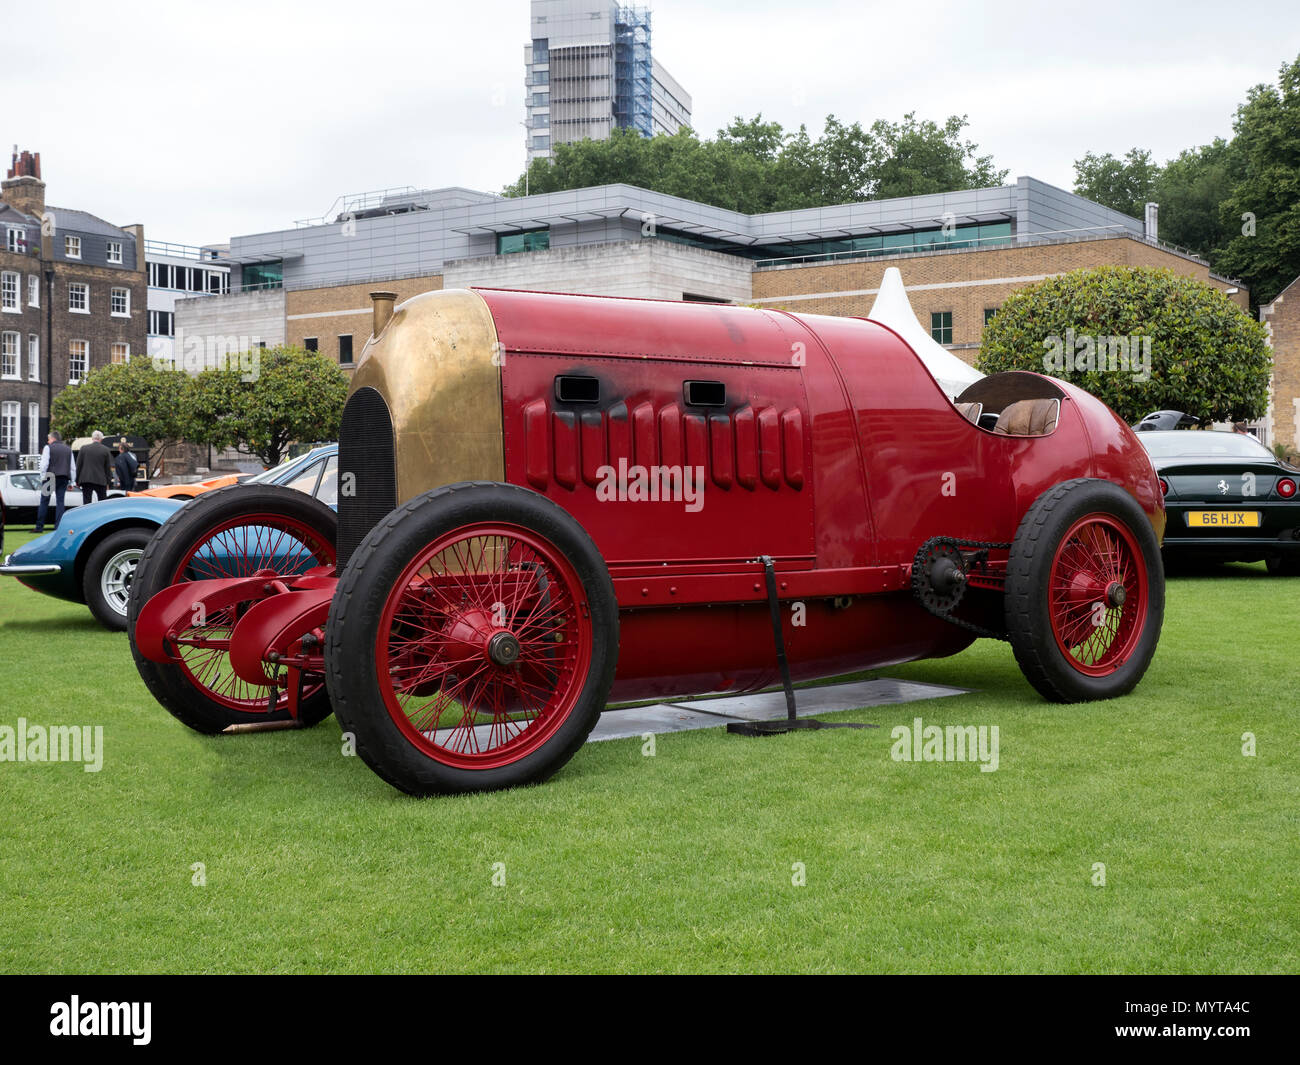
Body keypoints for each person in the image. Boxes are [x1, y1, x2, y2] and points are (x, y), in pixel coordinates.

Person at [33, 430, 76, 533]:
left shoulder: (48, 448)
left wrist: (43, 476)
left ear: (52, 438)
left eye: (48, 439)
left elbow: (44, 464)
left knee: (44, 501)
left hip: (50, 476)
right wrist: (72, 482)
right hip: (63, 477)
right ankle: (58, 527)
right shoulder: (68, 449)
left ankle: (39, 527)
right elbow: (73, 467)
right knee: (60, 502)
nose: (48, 441)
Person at [77, 431, 114, 505]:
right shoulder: (105, 450)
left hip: (86, 479)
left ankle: (87, 515)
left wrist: (77, 480)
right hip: (101, 480)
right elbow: (107, 467)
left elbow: (78, 465)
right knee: (102, 502)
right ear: (101, 439)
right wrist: (108, 481)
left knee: (87, 502)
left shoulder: (84, 448)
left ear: (92, 438)